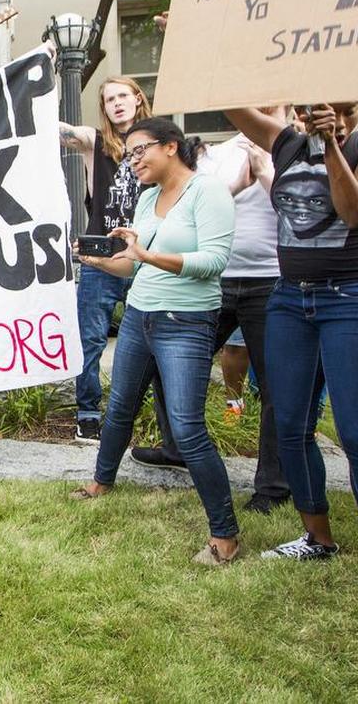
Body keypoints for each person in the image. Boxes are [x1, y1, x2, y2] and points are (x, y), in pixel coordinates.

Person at [70, 118, 240, 566]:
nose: (134, 160)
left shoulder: (208, 192)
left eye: (140, 150)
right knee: (120, 405)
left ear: (170, 146)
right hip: (139, 317)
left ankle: (224, 534)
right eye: (129, 154)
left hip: (185, 322)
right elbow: (135, 267)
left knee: (186, 427)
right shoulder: (146, 199)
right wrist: (96, 261)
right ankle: (100, 483)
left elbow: (213, 261)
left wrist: (145, 254)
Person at [128, 117, 291, 514]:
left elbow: (300, 211)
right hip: (206, 285)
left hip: (267, 278)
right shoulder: (215, 154)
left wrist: (268, 172)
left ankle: (272, 486)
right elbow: (205, 203)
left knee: (274, 386)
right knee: (162, 363)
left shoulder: (292, 148)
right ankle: (177, 447)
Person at [223, 100, 358, 559]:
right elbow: (233, 107)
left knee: (355, 430)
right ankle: (317, 537)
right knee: (290, 424)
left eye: (343, 108)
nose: (329, 113)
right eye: (318, 107)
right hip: (288, 298)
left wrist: (332, 148)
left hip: (347, 298)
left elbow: (353, 212)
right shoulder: (286, 143)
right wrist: (201, 41)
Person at [59, 76, 153, 443]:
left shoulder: (159, 143)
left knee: (152, 337)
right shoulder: (96, 143)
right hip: (102, 256)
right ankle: (88, 414)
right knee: (91, 338)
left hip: (147, 254)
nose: (116, 103)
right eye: (109, 99)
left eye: (122, 96)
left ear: (137, 99)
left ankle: (138, 414)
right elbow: (62, 131)